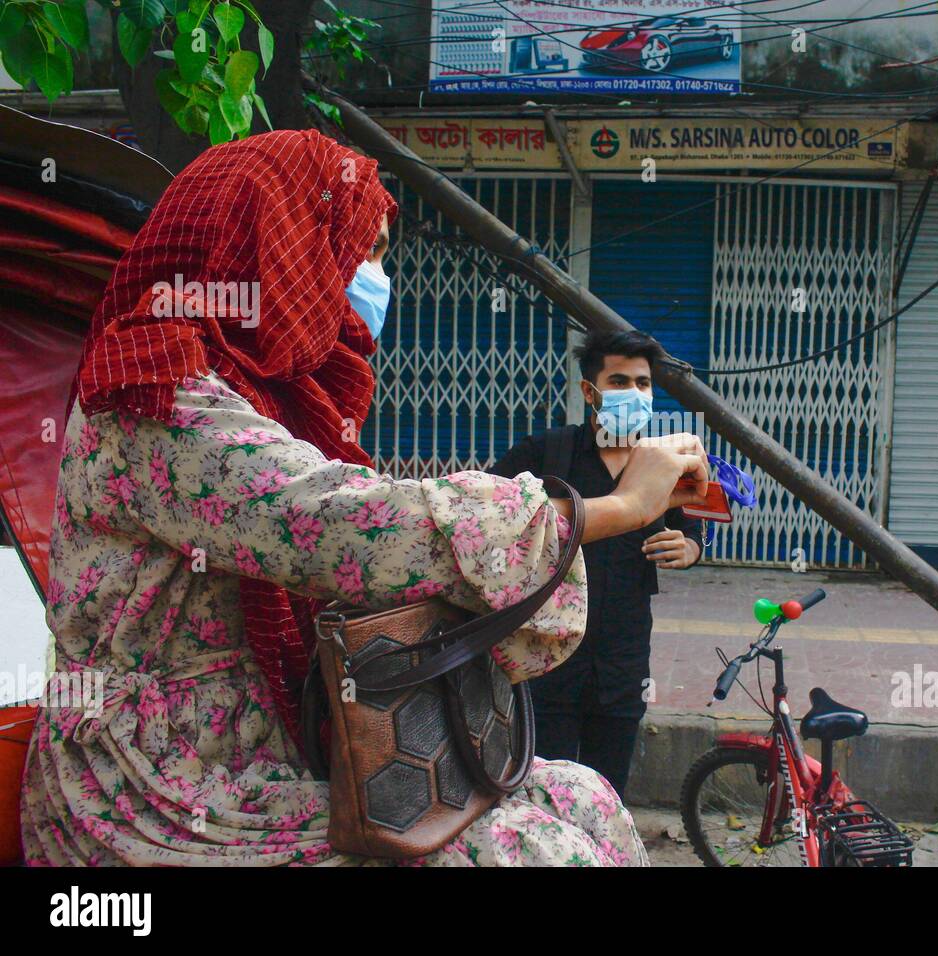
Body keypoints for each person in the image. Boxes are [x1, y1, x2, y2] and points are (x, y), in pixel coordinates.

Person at [20, 129, 709, 866]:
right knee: (526, 852)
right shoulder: (153, 387)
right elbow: (335, 524)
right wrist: (610, 510)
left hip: (285, 737)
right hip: (155, 780)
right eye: (365, 251)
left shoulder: (278, 396)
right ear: (278, 244)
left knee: (585, 796)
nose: (378, 278)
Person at [489, 331, 704, 797]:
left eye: (643, 384)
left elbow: (691, 524)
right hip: (549, 652)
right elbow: (489, 513)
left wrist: (690, 548)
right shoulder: (546, 452)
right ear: (590, 392)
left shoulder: (664, 462)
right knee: (544, 788)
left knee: (609, 791)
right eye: (620, 381)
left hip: (624, 655)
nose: (635, 394)